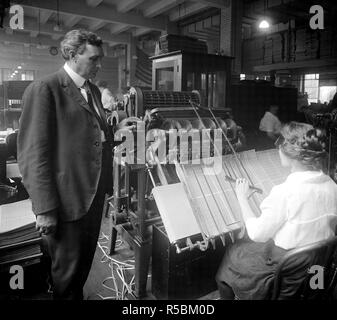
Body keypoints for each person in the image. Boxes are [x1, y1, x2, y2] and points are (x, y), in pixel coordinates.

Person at [17, 29, 113, 300]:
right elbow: (34, 154)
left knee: (81, 269)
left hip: (93, 197)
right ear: (72, 55)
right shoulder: (45, 89)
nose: (99, 65)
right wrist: (45, 209)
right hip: (66, 201)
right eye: (94, 59)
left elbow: (94, 139)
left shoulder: (92, 91)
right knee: (66, 274)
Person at [216, 122, 337, 300]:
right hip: (317, 265)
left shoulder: (285, 192)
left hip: (288, 272)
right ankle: (314, 292)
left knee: (234, 252)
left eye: (280, 144)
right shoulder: (331, 184)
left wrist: (242, 198)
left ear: (291, 153)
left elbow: (257, 234)